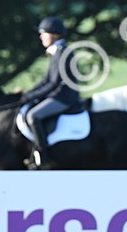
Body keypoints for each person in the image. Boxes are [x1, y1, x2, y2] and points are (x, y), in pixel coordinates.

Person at [20, 16, 81, 169]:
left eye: (43, 33)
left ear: (53, 35)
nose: (41, 37)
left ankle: (43, 156)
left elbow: (54, 83)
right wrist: (28, 94)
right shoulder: (56, 52)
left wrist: (32, 96)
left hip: (64, 98)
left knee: (33, 116)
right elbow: (45, 80)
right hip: (57, 95)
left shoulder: (62, 53)